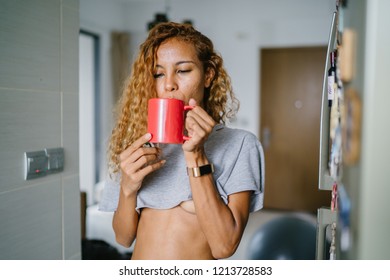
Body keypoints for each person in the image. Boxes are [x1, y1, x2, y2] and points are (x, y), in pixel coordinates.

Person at [99, 22, 265, 260]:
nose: (169, 84)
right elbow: (123, 238)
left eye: (183, 70)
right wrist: (127, 188)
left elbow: (224, 246)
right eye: (158, 74)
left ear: (208, 76)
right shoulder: (138, 145)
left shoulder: (240, 145)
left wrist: (195, 154)